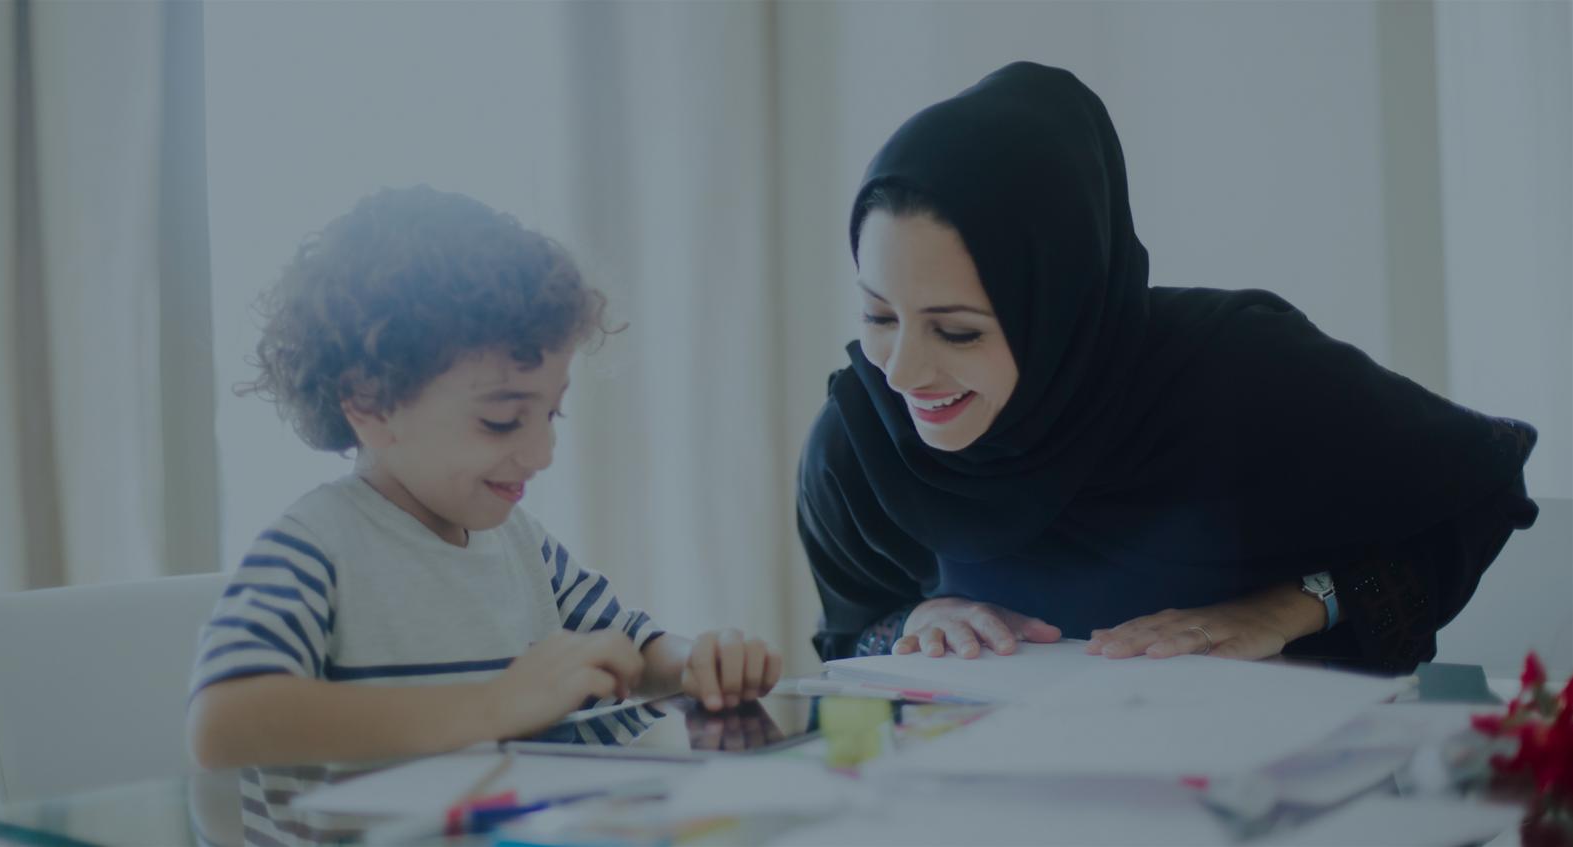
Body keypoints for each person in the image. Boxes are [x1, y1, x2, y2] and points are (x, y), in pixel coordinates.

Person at [797, 62, 1538, 673]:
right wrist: (915, 622)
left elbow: (1477, 493)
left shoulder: (1244, 381)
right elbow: (850, 636)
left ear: (1058, 308)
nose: (901, 373)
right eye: (878, 317)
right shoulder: (859, 447)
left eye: (956, 331)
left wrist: (1295, 604)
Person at [189, 186, 781, 769]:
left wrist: (697, 662)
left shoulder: (522, 544)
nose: (542, 454)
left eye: (552, 414)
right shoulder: (317, 546)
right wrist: (491, 706)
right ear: (369, 404)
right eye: (501, 421)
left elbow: (631, 651)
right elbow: (222, 722)